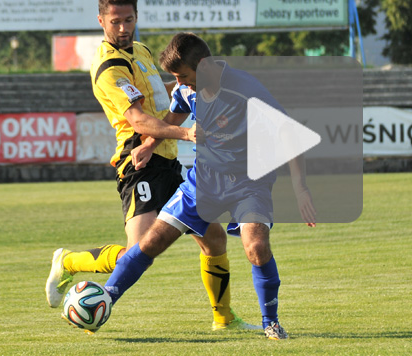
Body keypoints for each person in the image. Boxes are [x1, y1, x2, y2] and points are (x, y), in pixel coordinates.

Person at [45, 0, 256, 332]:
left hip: (166, 157)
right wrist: (185, 133)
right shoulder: (109, 67)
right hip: (139, 161)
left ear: (136, 18)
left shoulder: (141, 51)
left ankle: (224, 319)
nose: (123, 28)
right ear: (101, 21)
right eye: (115, 22)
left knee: (213, 238)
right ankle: (68, 261)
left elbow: (164, 101)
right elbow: (139, 120)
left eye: (128, 19)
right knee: (139, 250)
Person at [101, 32, 316, 340]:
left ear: (202, 66)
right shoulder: (186, 90)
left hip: (249, 183)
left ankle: (271, 321)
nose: (180, 83)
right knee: (150, 243)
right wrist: (149, 144)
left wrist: (301, 188)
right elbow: (173, 117)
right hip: (203, 181)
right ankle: (105, 300)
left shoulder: (246, 89)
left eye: (184, 76)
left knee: (255, 247)